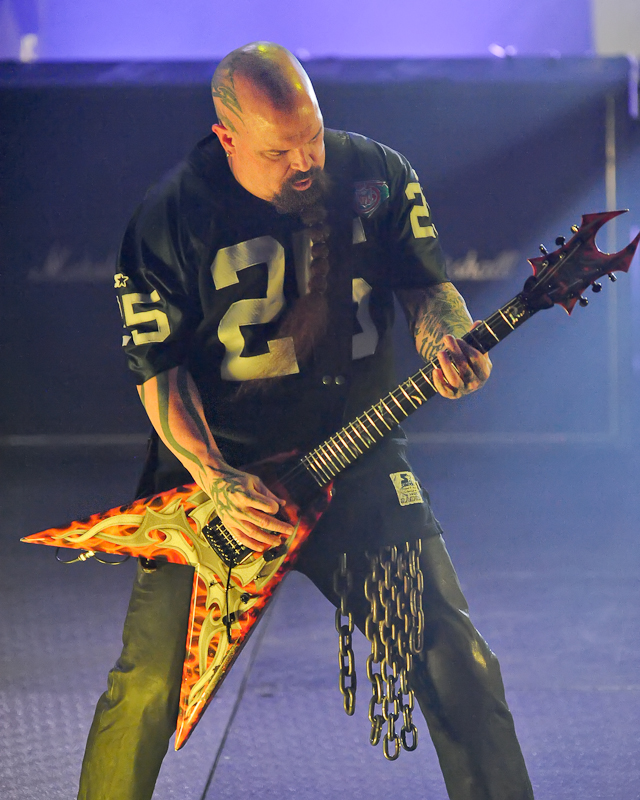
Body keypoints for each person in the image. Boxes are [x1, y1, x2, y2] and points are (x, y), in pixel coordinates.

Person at [79, 42, 534, 800]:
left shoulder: (376, 175)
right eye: (279, 150)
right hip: (220, 488)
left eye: (313, 138)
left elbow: (429, 290)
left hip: (357, 467)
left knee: (461, 666)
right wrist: (217, 477)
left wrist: (445, 339)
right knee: (147, 689)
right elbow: (158, 376)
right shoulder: (169, 217)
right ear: (226, 138)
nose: (305, 162)